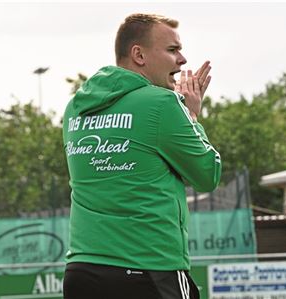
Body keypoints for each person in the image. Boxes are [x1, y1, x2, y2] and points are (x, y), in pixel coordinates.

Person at [62, 13, 221, 299]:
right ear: (139, 55)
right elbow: (207, 175)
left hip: (82, 273)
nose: (182, 59)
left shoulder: (75, 109)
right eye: (172, 50)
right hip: (150, 271)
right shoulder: (163, 103)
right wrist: (192, 116)